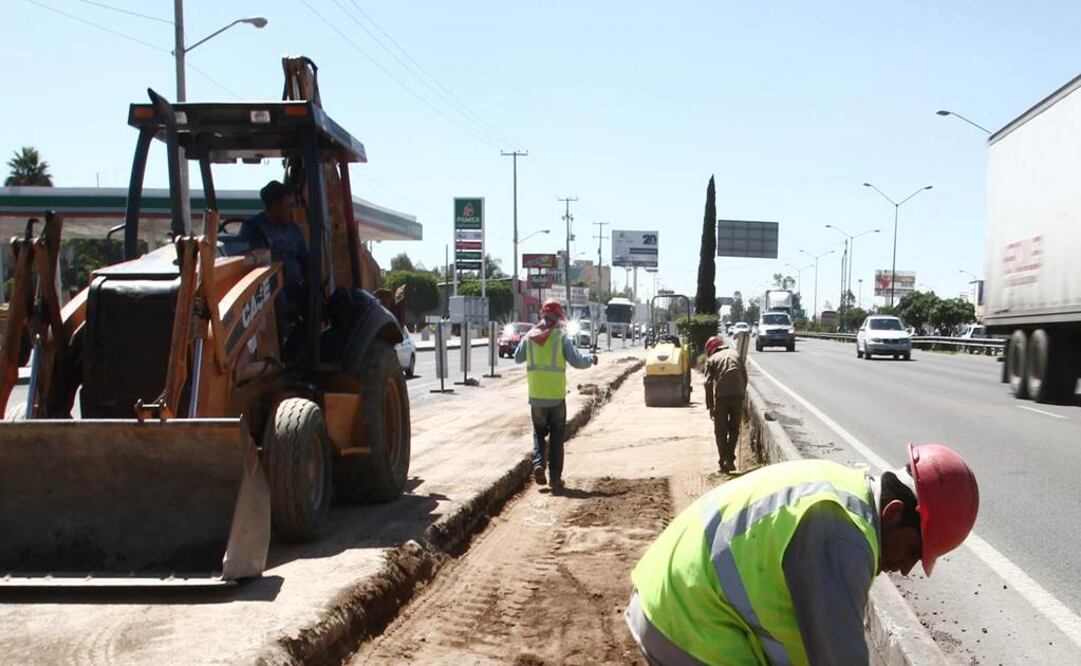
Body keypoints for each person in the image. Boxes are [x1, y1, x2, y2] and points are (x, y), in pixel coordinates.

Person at [625, 444, 979, 666]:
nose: (905, 568)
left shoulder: (840, 490)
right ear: (893, 512)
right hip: (687, 626)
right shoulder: (842, 535)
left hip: (673, 602)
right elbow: (839, 657)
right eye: (915, 552)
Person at [514, 299, 598, 492]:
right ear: (559, 319)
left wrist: (527, 336)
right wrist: (591, 359)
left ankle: (538, 463)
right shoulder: (560, 337)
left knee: (538, 433)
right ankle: (555, 480)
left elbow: (518, 357)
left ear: (542, 315)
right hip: (556, 398)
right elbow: (577, 360)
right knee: (556, 439)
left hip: (536, 397)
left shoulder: (530, 336)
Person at [240, 181, 310, 342]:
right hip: (264, 290)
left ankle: (299, 346)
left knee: (315, 300)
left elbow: (305, 258)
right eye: (288, 206)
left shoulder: (294, 230)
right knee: (278, 301)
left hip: (292, 288)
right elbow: (247, 262)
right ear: (274, 206)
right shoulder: (253, 228)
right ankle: (278, 348)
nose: (292, 211)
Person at [703, 335, 747, 473]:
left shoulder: (712, 359)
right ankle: (730, 459)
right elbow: (745, 378)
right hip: (738, 395)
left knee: (720, 431)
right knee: (734, 429)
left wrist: (710, 406)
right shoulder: (736, 355)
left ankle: (723, 463)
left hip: (722, 397)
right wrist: (741, 396)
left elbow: (708, 383)